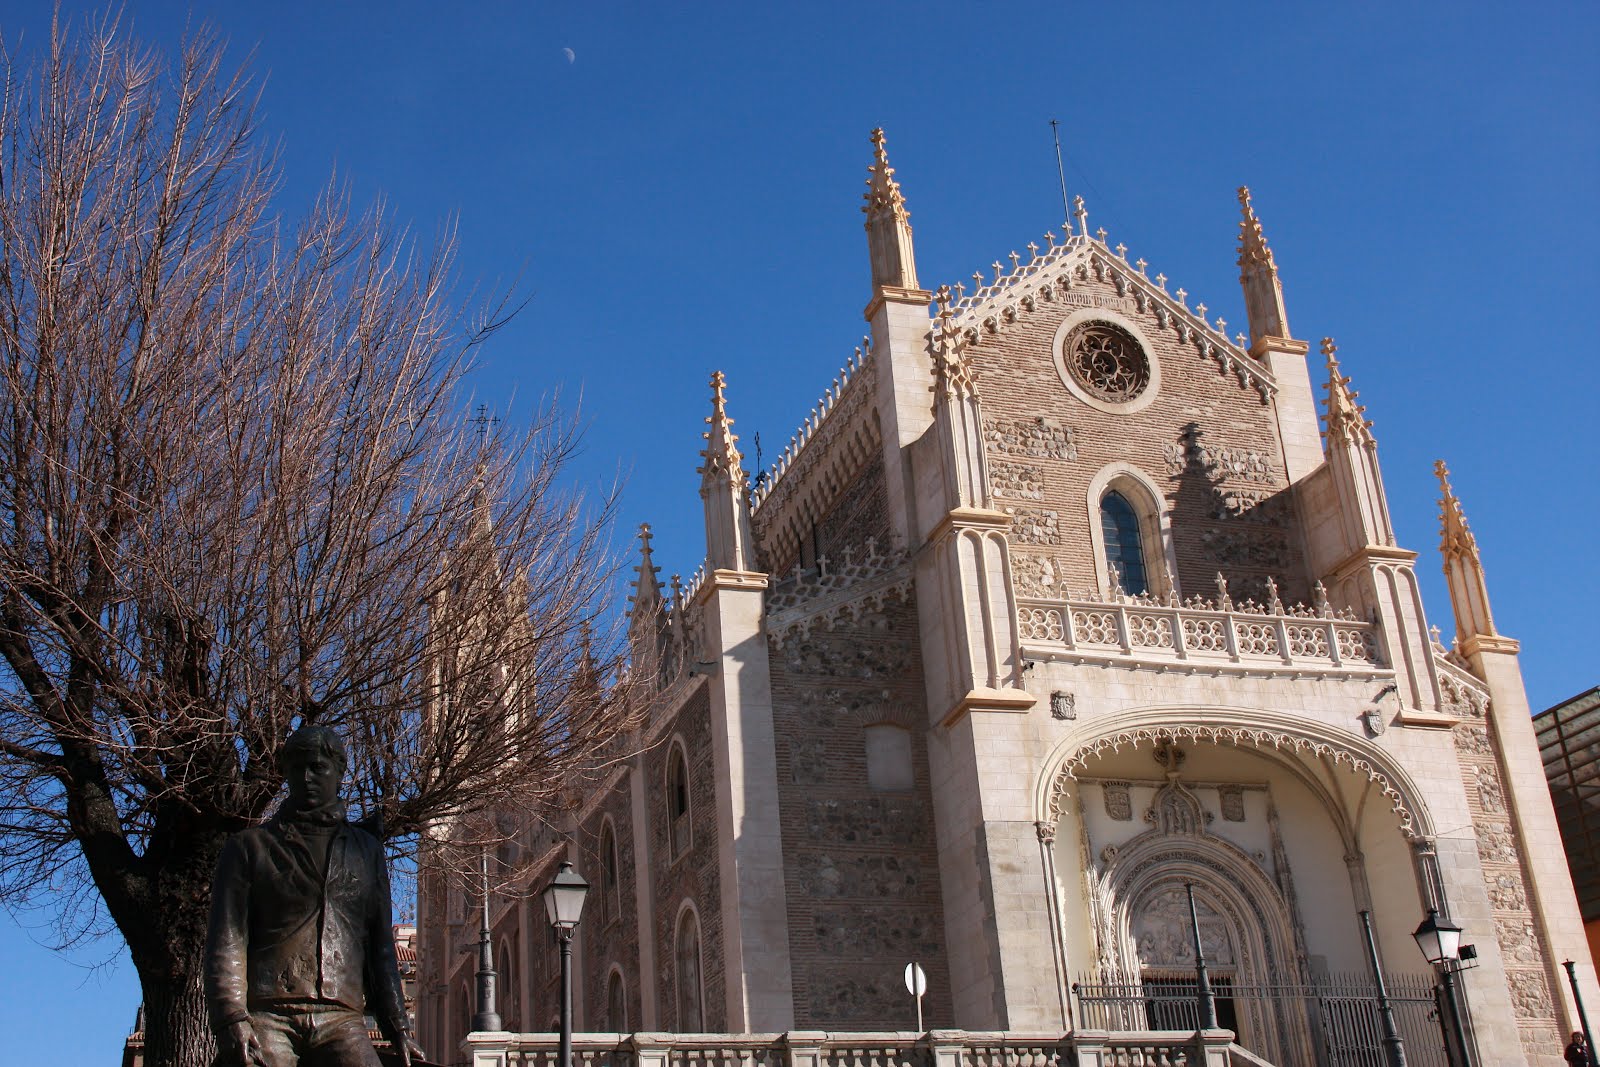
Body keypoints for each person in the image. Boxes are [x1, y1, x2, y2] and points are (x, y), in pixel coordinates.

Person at [205, 725, 424, 1067]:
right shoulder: (250, 847)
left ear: (339, 771)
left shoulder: (367, 850)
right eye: (297, 768)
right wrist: (231, 1017)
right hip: (269, 1012)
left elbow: (380, 945)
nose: (306, 777)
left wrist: (398, 1027)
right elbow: (227, 940)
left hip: (340, 1017)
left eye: (318, 767)